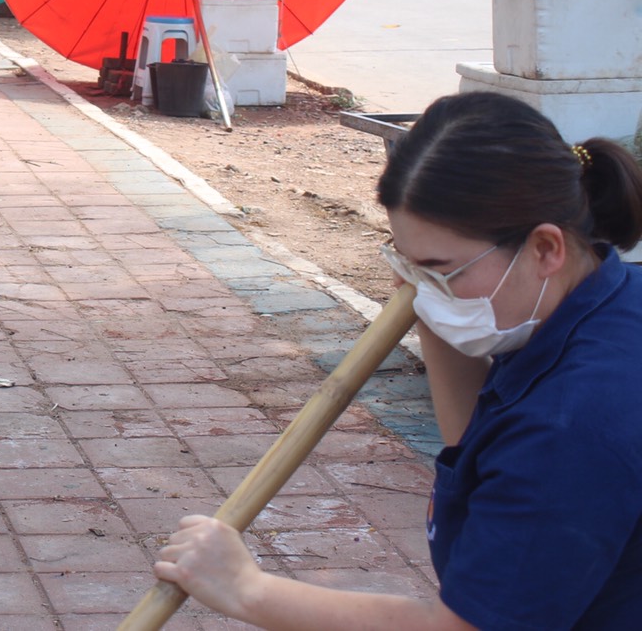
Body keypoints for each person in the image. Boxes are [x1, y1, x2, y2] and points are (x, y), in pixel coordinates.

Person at [152, 90, 642, 630]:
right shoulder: (600, 305)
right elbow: (474, 447)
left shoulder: (574, 423)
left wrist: (247, 590)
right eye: (409, 264)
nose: (421, 289)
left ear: (545, 249)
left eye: (440, 268)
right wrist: (435, 298)